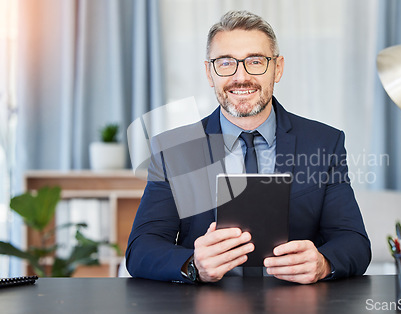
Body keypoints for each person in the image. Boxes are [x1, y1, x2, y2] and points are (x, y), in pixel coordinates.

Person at [126, 10, 371, 284]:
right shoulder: (174, 150)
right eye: (226, 62)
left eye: (255, 61)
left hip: (297, 303)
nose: (241, 77)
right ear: (209, 73)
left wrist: (323, 264)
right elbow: (141, 249)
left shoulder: (324, 143)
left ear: (277, 68)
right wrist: (194, 265)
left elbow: (354, 242)